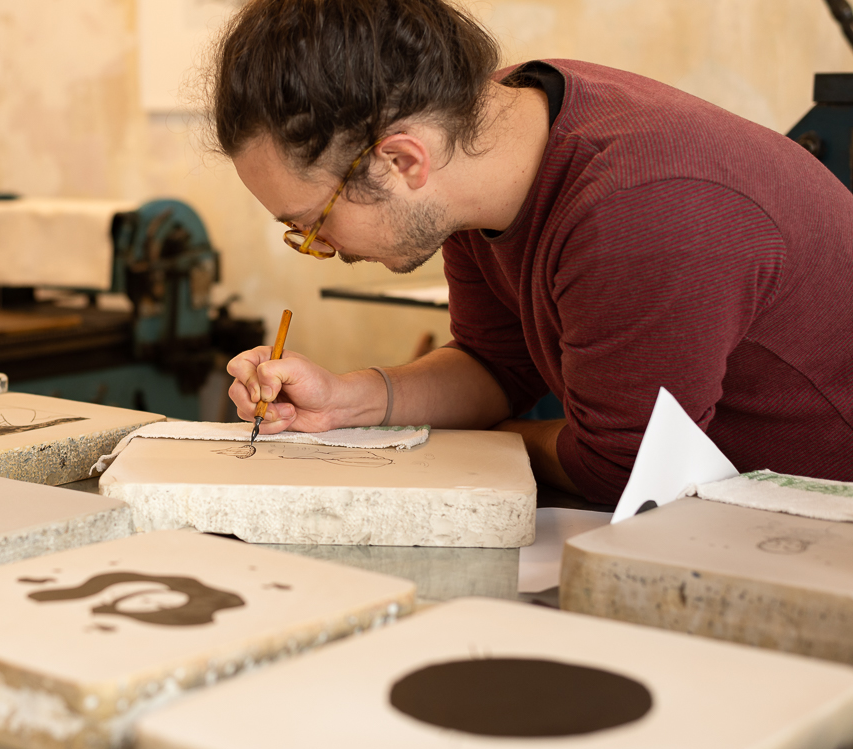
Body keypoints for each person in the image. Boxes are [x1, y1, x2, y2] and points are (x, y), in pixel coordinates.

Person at [214, 0, 853, 503]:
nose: (316, 246)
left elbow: (620, 469)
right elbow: (497, 367)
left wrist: (459, 442)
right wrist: (343, 400)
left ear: (403, 160)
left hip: (820, 523)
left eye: (312, 221)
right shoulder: (487, 138)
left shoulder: (636, 210)